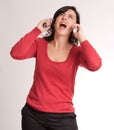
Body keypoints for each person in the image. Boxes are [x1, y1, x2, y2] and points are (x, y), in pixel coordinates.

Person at [10, 6, 102, 130]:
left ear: (75, 26)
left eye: (70, 17)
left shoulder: (77, 52)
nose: (64, 17)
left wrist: (82, 37)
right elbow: (16, 53)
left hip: (64, 118)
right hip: (33, 115)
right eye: (61, 14)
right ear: (54, 21)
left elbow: (95, 65)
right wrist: (37, 30)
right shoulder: (39, 44)